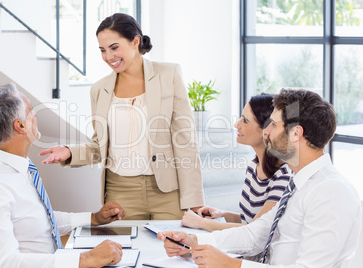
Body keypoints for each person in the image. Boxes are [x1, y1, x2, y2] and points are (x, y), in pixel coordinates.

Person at [158, 89, 361, 267]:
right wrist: (195, 242)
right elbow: (256, 234)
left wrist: (232, 265)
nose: (266, 131)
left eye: (273, 124)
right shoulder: (299, 182)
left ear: (296, 133)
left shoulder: (330, 191)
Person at [39, 13, 204, 220]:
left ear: (135, 41)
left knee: (173, 250)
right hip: (120, 192)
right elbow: (100, 146)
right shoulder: (99, 90)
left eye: (114, 47)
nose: (109, 57)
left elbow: (185, 141)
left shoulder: (168, 75)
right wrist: (69, 153)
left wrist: (195, 200)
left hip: (168, 191)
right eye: (102, 50)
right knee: (125, 251)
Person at [0, 83, 127, 268]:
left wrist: (93, 218)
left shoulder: (17, 168)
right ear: (21, 125)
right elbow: (5, 263)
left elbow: (37, 219)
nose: (36, 115)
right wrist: (85, 259)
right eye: (31, 111)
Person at [181, 94, 292, 232]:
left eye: (245, 120)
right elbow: (250, 220)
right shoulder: (253, 167)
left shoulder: (284, 176)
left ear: (266, 130)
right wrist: (223, 214)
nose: (236, 124)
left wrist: (200, 223)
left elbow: (256, 231)